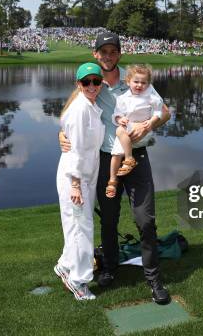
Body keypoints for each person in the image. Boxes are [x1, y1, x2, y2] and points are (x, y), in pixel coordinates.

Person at [59, 32, 172, 305]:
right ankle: (110, 268)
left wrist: (149, 125)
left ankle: (153, 279)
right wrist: (61, 134)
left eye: (113, 51)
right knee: (108, 221)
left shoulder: (134, 79)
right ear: (95, 55)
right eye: (103, 52)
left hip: (136, 158)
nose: (108, 56)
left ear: (119, 54)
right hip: (106, 160)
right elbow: (69, 115)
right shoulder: (91, 82)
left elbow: (165, 111)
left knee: (145, 220)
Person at [54, 63, 105, 301]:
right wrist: (75, 184)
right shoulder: (80, 109)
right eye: (87, 82)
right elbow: (74, 150)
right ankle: (78, 280)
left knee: (78, 225)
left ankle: (65, 265)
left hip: (86, 175)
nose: (92, 86)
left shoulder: (90, 106)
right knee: (82, 229)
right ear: (79, 84)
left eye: (96, 81)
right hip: (74, 178)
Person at [106, 64, 163, 199]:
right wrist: (120, 119)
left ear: (148, 84)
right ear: (128, 82)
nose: (139, 85)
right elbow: (116, 114)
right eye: (136, 82)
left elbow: (158, 110)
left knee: (119, 131)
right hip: (128, 130)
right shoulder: (123, 98)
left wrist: (152, 122)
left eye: (143, 83)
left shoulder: (150, 96)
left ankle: (130, 158)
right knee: (115, 155)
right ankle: (112, 181)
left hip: (142, 130)